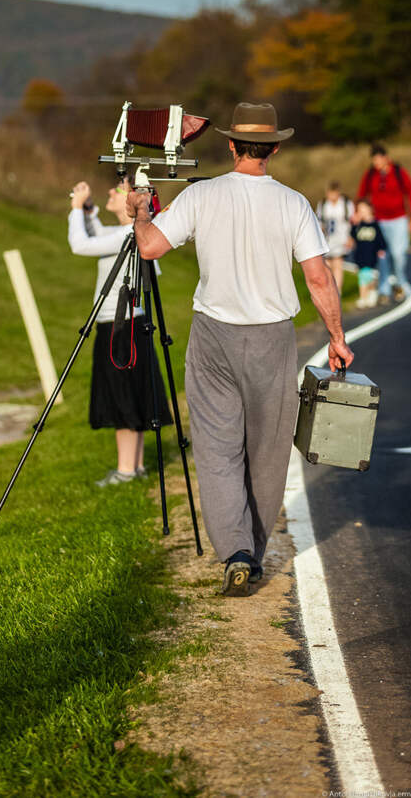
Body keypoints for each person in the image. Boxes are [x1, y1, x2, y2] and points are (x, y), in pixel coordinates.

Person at [127, 102, 354, 597]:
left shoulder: (202, 194)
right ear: (273, 148)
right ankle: (253, 546)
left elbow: (150, 248)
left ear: (231, 145)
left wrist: (142, 209)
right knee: (268, 452)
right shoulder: (294, 203)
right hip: (273, 337)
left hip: (213, 335)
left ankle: (235, 551)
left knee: (216, 447)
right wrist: (336, 338)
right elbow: (318, 277)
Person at [68, 177, 172, 486]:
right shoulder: (128, 232)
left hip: (119, 326)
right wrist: (87, 212)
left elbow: (80, 244)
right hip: (129, 325)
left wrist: (75, 207)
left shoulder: (129, 233)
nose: (111, 191)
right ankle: (135, 466)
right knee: (131, 393)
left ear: (134, 201)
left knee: (123, 395)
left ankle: (126, 470)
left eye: (119, 189)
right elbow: (98, 234)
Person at [356, 143, 411, 304]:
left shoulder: (398, 172)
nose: (376, 163)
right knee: (382, 255)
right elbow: (362, 195)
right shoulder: (370, 175)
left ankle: (399, 283)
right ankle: (383, 290)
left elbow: (410, 193)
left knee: (399, 255)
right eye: (374, 160)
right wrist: (358, 213)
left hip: (398, 219)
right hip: (378, 221)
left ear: (386, 158)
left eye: (378, 159)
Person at [316, 181, 354, 293]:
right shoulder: (323, 204)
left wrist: (350, 237)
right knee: (327, 265)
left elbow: (351, 221)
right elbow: (319, 222)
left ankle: (338, 290)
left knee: (338, 262)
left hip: (341, 238)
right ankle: (329, 289)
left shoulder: (346, 204)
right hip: (327, 239)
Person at [348, 199, 387, 309]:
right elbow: (352, 236)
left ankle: (367, 295)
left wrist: (381, 249)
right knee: (363, 276)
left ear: (370, 210)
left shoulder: (375, 224)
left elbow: (380, 239)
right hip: (360, 255)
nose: (362, 212)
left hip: (371, 256)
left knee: (367, 276)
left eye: (364, 209)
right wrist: (354, 223)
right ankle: (367, 295)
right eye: (359, 210)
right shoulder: (358, 225)